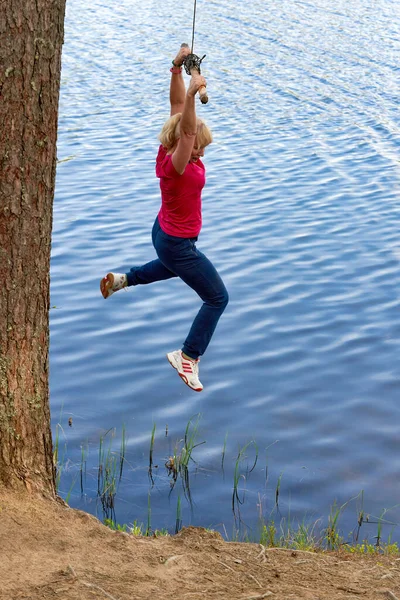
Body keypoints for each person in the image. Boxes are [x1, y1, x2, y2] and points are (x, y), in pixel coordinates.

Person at [100, 44, 229, 392]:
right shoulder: (179, 164)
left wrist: (177, 69)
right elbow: (187, 129)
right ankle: (188, 356)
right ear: (188, 145)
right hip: (177, 242)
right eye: (200, 147)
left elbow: (177, 114)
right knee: (218, 298)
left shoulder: (166, 146)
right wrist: (192, 91)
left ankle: (123, 280)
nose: (202, 151)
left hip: (163, 234)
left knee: (171, 266)